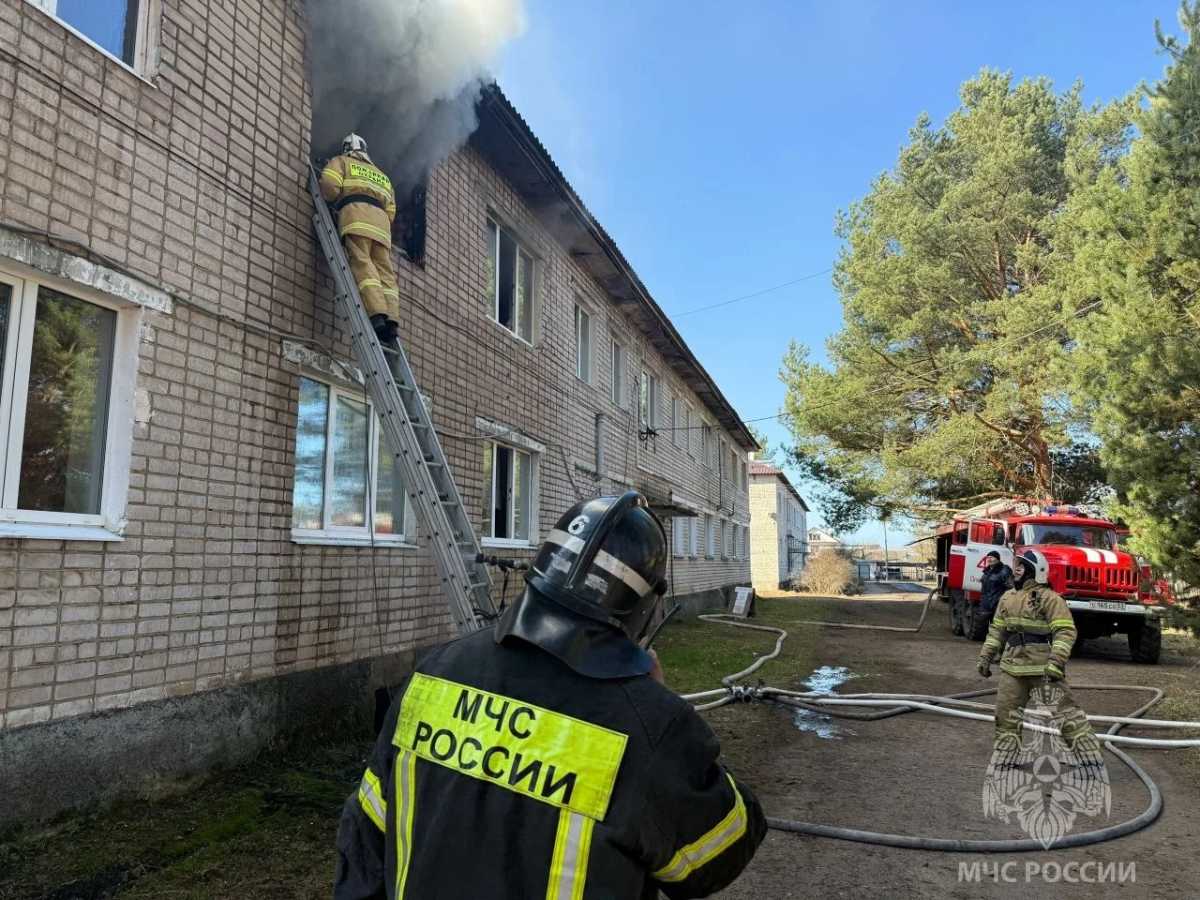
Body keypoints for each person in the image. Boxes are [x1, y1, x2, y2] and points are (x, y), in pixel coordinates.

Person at [334, 492, 766, 899]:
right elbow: (719, 854)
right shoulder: (650, 726)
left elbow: (365, 835)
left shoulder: (436, 670)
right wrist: (662, 719)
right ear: (645, 606)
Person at [976, 550, 1102, 761]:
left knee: (1066, 715)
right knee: (1005, 716)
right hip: (1012, 668)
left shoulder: (1050, 599)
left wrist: (1056, 662)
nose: (1015, 569)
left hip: (1043, 669)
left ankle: (1090, 760)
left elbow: (1065, 631)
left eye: (1021, 566)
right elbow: (997, 631)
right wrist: (985, 656)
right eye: (1015, 565)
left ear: (1035, 571)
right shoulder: (1007, 598)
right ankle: (1006, 758)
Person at [319, 134, 401, 346]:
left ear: (347, 147)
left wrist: (334, 200)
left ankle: (377, 314)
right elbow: (391, 210)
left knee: (363, 264)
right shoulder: (383, 176)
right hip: (382, 231)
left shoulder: (342, 161)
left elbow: (329, 185)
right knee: (385, 273)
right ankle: (392, 320)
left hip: (356, 220)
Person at [978, 551, 1013, 619]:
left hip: (997, 607)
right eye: (988, 557)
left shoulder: (1004, 570)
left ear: (998, 559)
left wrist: (1002, 603)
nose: (989, 559)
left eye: (992, 557)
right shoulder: (986, 572)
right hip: (985, 607)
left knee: (994, 627)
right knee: (982, 627)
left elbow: (1010, 588)